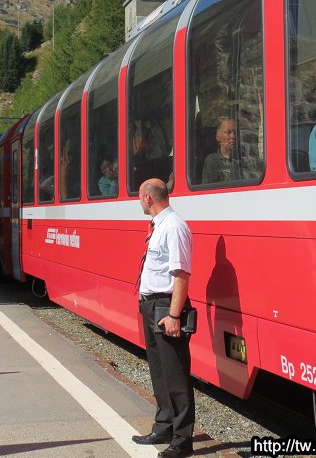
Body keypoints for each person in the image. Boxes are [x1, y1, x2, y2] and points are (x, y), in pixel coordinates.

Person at [132, 178, 194, 458]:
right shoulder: (159, 226)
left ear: (148, 198)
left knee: (176, 375)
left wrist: (173, 315)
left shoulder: (174, 226)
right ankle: (164, 425)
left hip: (166, 308)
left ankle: (182, 441)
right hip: (151, 306)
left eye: (139, 198)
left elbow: (181, 275)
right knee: (159, 372)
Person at [201, 117, 242, 184]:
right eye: (228, 132)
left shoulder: (244, 159)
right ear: (218, 137)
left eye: (235, 132)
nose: (233, 136)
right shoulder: (212, 161)